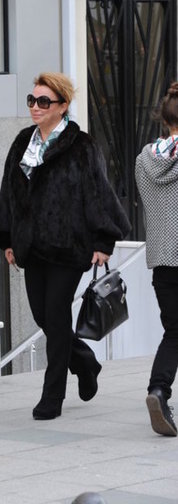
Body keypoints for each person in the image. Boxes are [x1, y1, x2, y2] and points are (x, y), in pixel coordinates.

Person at [0, 72, 131, 420]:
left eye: (44, 101)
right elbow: (9, 192)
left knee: (55, 316)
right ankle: (84, 362)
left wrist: (103, 240)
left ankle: (52, 396)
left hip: (68, 247)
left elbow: (99, 193)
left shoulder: (82, 146)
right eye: (32, 100)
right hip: (31, 246)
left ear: (62, 105)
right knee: (43, 316)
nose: (35, 107)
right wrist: (7, 238)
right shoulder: (22, 142)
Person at [135, 82, 178, 437]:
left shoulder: (143, 161)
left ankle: (159, 391)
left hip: (163, 260)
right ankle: (159, 390)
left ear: (164, 119)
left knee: (174, 331)